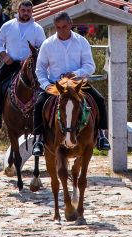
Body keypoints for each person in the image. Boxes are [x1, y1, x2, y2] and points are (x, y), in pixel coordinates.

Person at [32, 12, 111, 156]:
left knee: (99, 100)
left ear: (70, 24)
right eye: (58, 27)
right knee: (38, 104)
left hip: (78, 84)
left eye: (64, 26)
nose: (61, 30)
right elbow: (40, 69)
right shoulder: (47, 44)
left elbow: (90, 65)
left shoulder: (82, 41)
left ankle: (101, 136)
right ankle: (38, 140)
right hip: (56, 85)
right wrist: (46, 85)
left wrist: (77, 73)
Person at [0, 0, 46, 127]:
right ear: (18, 10)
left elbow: (42, 47)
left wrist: (33, 57)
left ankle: (43, 120)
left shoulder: (37, 28)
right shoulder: (8, 25)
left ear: (32, 12)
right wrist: (4, 55)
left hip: (30, 66)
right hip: (10, 63)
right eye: (23, 10)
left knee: (43, 87)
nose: (26, 13)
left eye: (28, 11)